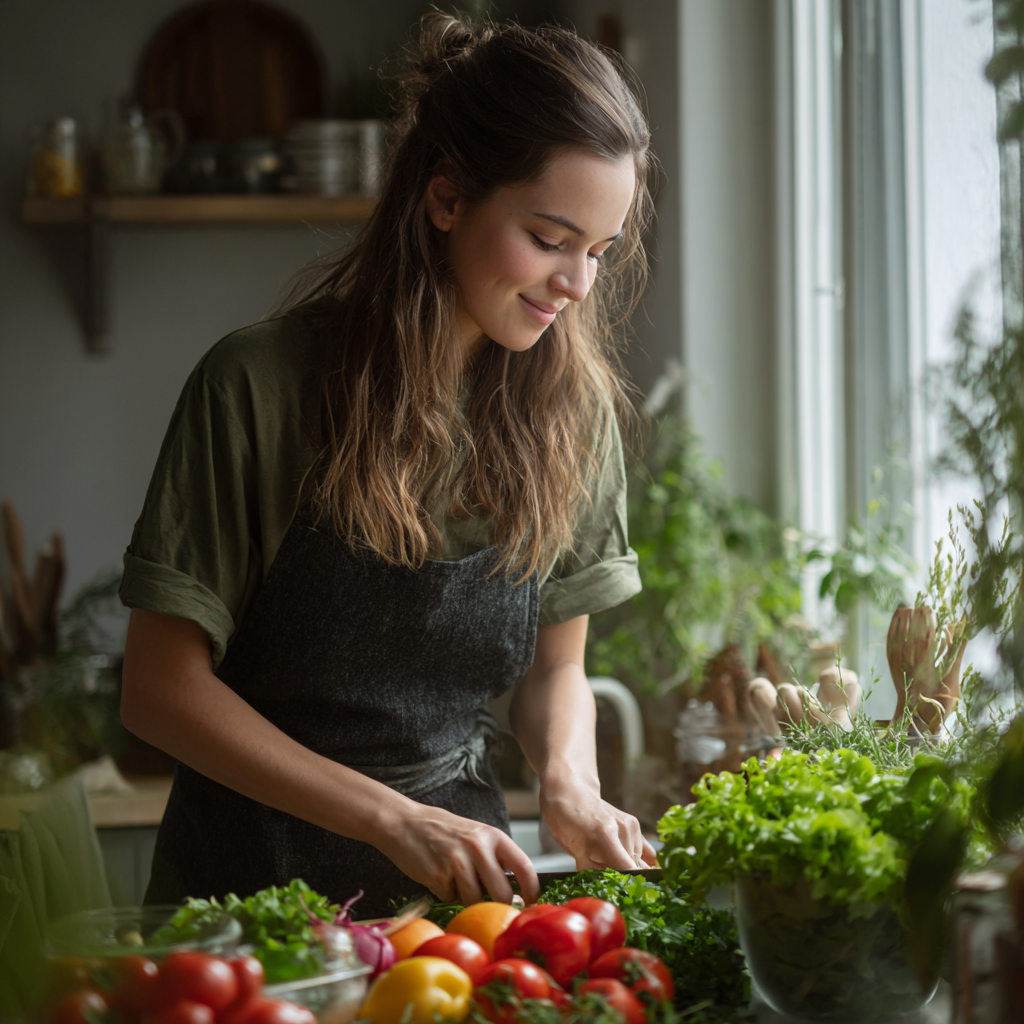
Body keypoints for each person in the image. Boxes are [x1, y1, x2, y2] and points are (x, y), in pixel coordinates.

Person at [119, 12, 657, 918]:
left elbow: (556, 670)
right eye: (549, 239)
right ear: (446, 198)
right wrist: (394, 820)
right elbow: (158, 693)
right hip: (247, 915)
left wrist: (570, 783)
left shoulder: (574, 413)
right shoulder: (256, 386)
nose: (576, 286)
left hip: (461, 912)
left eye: (599, 252)